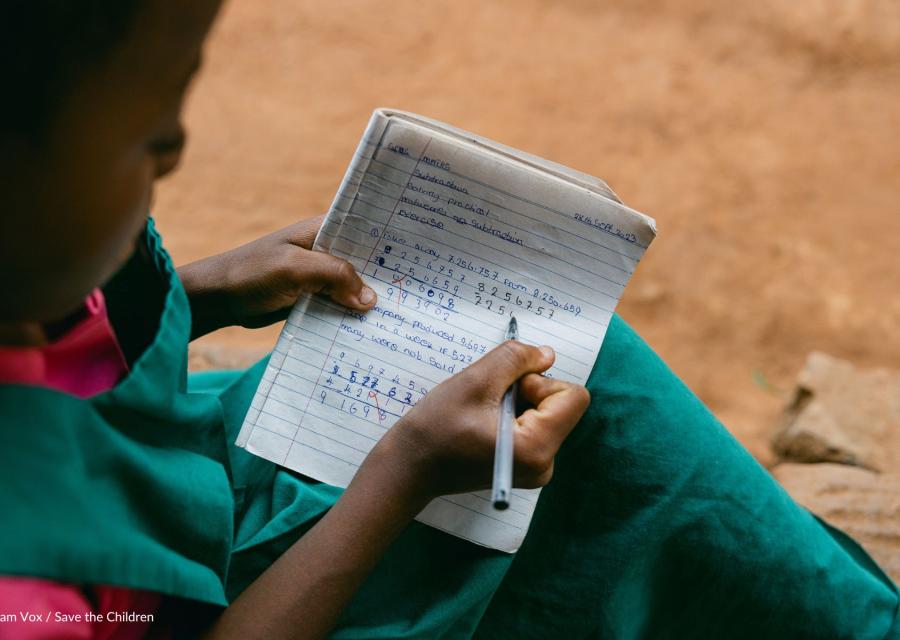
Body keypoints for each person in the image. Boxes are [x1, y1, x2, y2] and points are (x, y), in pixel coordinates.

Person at [0, 2, 896, 639]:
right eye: (150, 141)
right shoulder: (26, 601)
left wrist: (197, 295)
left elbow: (61, 365)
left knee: (580, 372)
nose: (180, 150)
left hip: (173, 491)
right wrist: (402, 476)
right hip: (213, 600)